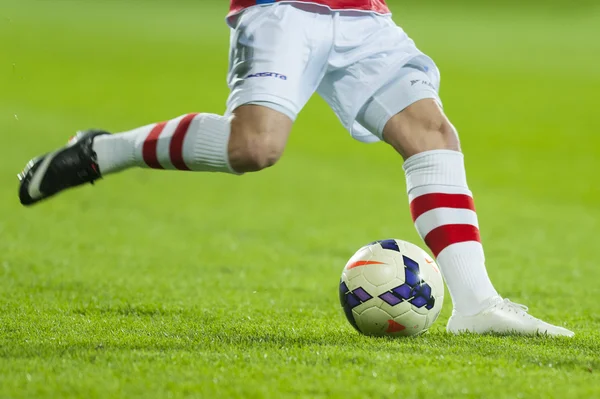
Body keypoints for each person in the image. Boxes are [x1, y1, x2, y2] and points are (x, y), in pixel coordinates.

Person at [17, 0, 573, 336]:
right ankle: (104, 150)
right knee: (254, 148)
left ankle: (475, 303)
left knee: (431, 134)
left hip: (363, 16)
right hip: (281, 8)